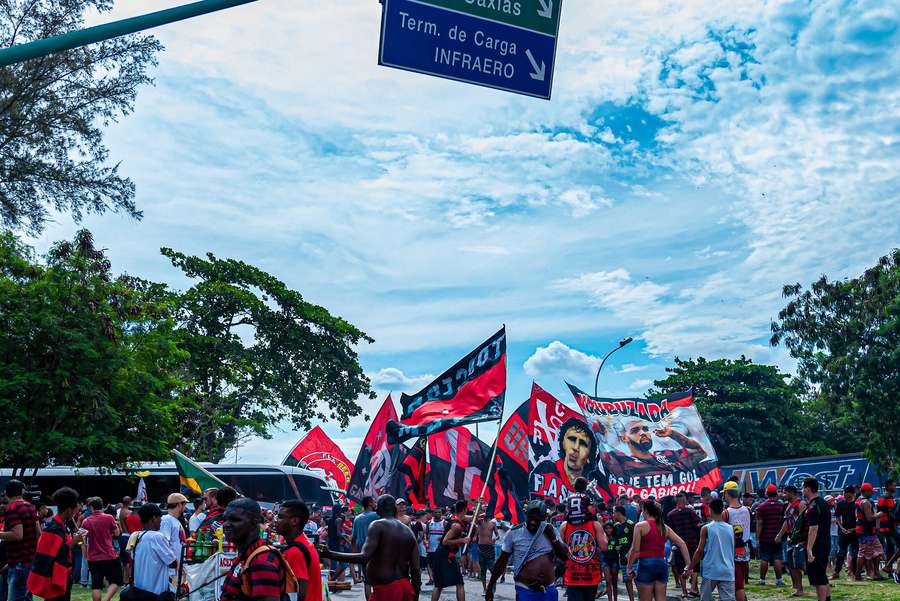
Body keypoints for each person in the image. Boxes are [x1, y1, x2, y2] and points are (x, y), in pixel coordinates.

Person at [319, 495, 420, 601]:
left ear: (378, 510)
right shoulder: (409, 532)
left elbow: (364, 557)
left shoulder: (377, 525)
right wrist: (415, 595)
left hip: (386, 590)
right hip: (405, 588)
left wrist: (330, 554)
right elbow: (416, 569)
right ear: (394, 509)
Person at [486, 500, 568, 601]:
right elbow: (501, 562)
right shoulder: (514, 533)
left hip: (549, 591)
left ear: (544, 518)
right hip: (525, 591)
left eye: (537, 519)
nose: (533, 522)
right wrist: (490, 587)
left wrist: (553, 538)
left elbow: (564, 556)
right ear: (526, 515)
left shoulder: (550, 531)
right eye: (530, 518)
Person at [599, 420, 708, 483]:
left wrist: (673, 434)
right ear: (624, 438)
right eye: (635, 430)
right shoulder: (622, 461)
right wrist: (602, 435)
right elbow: (604, 456)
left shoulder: (670, 455)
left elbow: (700, 451)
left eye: (645, 429)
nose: (643, 433)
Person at [626, 500, 691, 601]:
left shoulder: (640, 526)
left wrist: (629, 567)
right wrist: (688, 565)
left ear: (645, 511)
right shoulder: (664, 527)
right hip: (661, 564)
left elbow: (635, 549)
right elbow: (682, 544)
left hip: (645, 565)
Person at [27, 487, 83, 601]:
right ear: (68, 510)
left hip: (63, 577)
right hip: (55, 580)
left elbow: (61, 549)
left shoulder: (61, 527)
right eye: (74, 510)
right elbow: (49, 557)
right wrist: (75, 540)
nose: (74, 513)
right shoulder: (53, 529)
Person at [532, 419, 598, 501]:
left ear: (589, 456)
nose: (575, 448)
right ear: (562, 443)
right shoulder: (545, 470)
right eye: (572, 439)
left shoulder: (593, 490)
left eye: (582, 444)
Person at [560, 493, 607, 601]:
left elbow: (562, 549)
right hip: (590, 575)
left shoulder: (565, 525)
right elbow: (604, 547)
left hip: (572, 575)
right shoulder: (595, 524)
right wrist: (601, 527)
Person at [686, 498, 734, 601]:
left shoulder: (706, 528)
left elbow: (699, 551)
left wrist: (690, 567)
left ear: (710, 509)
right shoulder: (730, 528)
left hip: (711, 570)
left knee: (705, 598)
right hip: (727, 569)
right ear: (723, 510)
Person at [0, 480, 40, 601]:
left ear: (6, 493)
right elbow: (39, 533)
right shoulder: (30, 507)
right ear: (21, 492)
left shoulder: (12, 508)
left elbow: (17, 535)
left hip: (18, 563)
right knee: (26, 598)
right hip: (30, 560)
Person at [128, 503, 179, 596]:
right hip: (155, 593)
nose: (161, 520)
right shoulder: (157, 537)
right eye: (160, 517)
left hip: (139, 592)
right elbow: (173, 563)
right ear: (154, 518)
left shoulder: (136, 536)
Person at [276, 501, 323, 601]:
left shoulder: (294, 551)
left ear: (294, 521)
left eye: (280, 517)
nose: (276, 520)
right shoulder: (305, 543)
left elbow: (298, 594)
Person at [81, 497, 122, 601]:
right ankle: (106, 599)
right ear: (102, 506)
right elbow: (117, 533)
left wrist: (84, 553)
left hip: (93, 557)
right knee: (116, 581)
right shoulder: (109, 518)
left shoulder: (86, 521)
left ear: (91, 507)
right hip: (109, 555)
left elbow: (81, 539)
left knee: (96, 585)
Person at [430, 500, 469, 601]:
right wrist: (462, 540)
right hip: (446, 555)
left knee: (438, 585)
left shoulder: (455, 517)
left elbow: (471, 518)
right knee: (459, 583)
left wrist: (479, 508)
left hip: (441, 554)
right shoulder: (456, 526)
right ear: (464, 510)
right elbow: (445, 541)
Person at [800, 477, 831, 601]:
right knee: (822, 575)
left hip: (816, 545)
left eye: (803, 487)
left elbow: (813, 528)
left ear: (808, 488)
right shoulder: (823, 503)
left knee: (818, 578)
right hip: (824, 543)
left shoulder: (813, 506)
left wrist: (809, 549)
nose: (802, 490)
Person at [666, 492, 701, 597]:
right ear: (685, 500)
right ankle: (694, 589)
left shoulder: (671, 514)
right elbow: (698, 524)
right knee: (694, 567)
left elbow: (669, 531)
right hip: (692, 543)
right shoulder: (690, 511)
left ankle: (684, 591)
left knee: (681, 568)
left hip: (678, 545)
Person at [775, 484, 806, 596]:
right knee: (790, 564)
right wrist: (779, 535)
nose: (783, 495)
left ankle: (800, 589)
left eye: (785, 493)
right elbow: (787, 522)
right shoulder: (788, 505)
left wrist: (803, 537)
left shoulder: (800, 504)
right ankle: (797, 588)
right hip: (790, 539)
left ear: (792, 493)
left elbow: (805, 521)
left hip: (799, 539)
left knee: (798, 564)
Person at [722, 481, 750, 601]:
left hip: (732, 551)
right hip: (745, 549)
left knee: (737, 585)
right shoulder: (747, 509)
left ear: (727, 494)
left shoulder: (726, 513)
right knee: (740, 581)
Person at [755, 484, 786, 586]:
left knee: (764, 558)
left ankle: (762, 580)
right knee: (777, 558)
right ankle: (779, 580)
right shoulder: (781, 506)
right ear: (776, 493)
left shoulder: (761, 507)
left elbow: (759, 523)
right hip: (778, 535)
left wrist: (757, 538)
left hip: (765, 536)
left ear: (766, 494)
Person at [855, 482, 886, 580]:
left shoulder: (860, 500)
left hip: (868, 531)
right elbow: (869, 518)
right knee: (863, 553)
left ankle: (876, 574)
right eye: (871, 491)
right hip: (865, 531)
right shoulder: (865, 502)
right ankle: (857, 575)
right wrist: (881, 513)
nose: (872, 493)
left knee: (878, 551)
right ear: (866, 491)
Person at [351, 496, 379, 600]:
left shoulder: (357, 518)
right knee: (377, 579)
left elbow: (353, 538)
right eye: (375, 502)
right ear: (371, 503)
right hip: (375, 552)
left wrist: (354, 554)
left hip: (362, 553)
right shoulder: (377, 516)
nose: (376, 503)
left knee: (367, 580)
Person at [832, 485, 858, 580]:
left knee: (855, 553)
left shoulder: (857, 504)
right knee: (841, 552)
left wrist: (855, 529)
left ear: (852, 494)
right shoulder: (841, 504)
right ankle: (836, 572)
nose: (846, 498)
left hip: (855, 531)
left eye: (848, 496)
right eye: (845, 495)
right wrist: (841, 527)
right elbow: (837, 517)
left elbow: (860, 518)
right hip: (844, 531)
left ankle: (855, 573)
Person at [613, 505, 636, 601]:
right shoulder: (615, 526)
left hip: (634, 558)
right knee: (627, 580)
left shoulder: (631, 524)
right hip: (622, 558)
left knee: (637, 580)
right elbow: (613, 540)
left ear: (618, 513)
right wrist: (615, 546)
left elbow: (636, 540)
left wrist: (631, 551)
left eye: (614, 512)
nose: (613, 514)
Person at [876, 479, 899, 573]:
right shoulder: (888, 498)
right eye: (893, 485)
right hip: (889, 526)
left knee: (890, 547)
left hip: (883, 526)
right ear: (888, 487)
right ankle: (888, 565)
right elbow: (891, 514)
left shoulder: (882, 497)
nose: (895, 487)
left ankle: (889, 569)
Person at [476, 511, 499, 593]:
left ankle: (493, 584)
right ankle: (485, 589)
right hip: (481, 547)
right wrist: (480, 515)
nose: (485, 514)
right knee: (483, 570)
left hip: (489, 547)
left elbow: (497, 535)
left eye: (487, 512)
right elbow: (475, 518)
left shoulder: (492, 523)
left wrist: (494, 539)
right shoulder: (479, 522)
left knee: (492, 569)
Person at [425, 509, 445, 587]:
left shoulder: (445, 523)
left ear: (441, 513)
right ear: (433, 513)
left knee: (440, 565)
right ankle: (432, 579)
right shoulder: (429, 523)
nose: (438, 513)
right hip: (431, 549)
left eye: (439, 512)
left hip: (441, 549)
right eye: (436, 512)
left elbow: (448, 535)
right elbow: (426, 535)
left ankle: (440, 580)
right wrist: (426, 542)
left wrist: (443, 539)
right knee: (431, 565)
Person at [601, 522, 620, 601]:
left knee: (614, 583)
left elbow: (620, 547)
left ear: (613, 529)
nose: (608, 530)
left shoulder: (616, 538)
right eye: (606, 528)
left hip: (614, 561)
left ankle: (615, 599)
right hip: (605, 560)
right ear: (604, 529)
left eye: (610, 528)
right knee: (608, 582)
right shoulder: (601, 538)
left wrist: (619, 548)